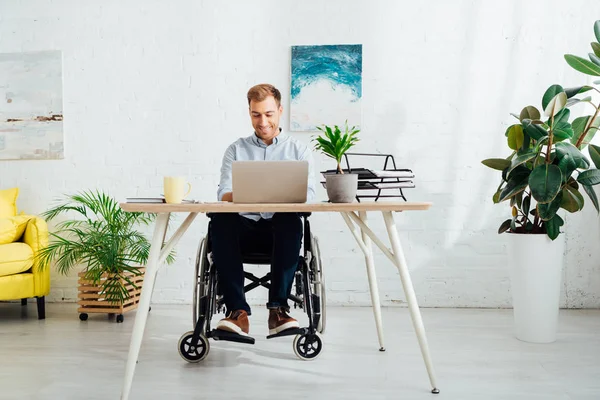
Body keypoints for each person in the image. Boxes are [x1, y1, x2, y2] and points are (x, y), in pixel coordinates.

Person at [211, 83, 316, 336]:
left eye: (268, 114)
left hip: (280, 232)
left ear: (280, 111)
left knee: (290, 219)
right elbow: (223, 194)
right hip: (244, 229)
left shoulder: (297, 150)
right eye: (256, 114)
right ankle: (238, 312)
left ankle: (278, 310)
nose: (263, 121)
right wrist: (249, 194)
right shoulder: (236, 149)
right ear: (249, 113)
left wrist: (277, 198)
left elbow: (309, 196)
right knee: (219, 219)